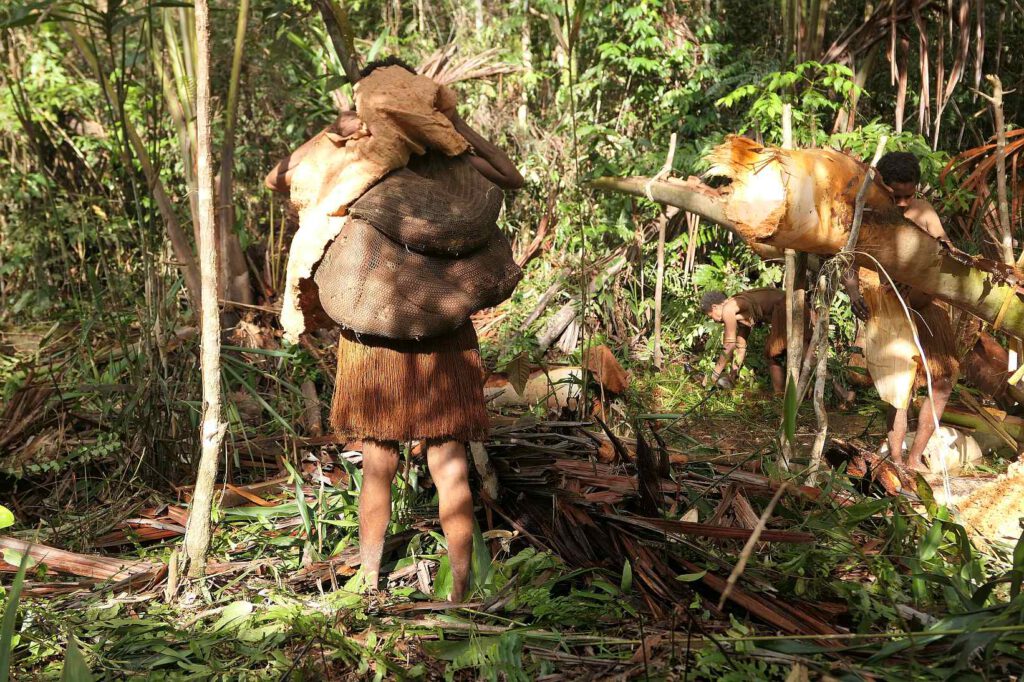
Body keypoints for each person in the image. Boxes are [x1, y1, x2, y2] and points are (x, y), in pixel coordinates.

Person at [267, 56, 524, 602]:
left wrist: (334, 129)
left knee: (378, 461)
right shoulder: (453, 163)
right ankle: (459, 593)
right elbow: (510, 174)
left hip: (372, 336)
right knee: (448, 458)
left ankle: (368, 582)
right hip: (444, 337)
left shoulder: (359, 158)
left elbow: (279, 179)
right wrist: (456, 130)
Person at [842, 151, 959, 471]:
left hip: (925, 306)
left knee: (943, 382)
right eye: (897, 196)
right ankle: (895, 459)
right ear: (881, 186)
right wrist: (853, 292)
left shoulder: (923, 212)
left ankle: (914, 456)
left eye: (910, 195)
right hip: (890, 310)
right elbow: (847, 258)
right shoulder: (866, 214)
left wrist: (944, 253)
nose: (905, 203)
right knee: (899, 389)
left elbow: (944, 252)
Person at [700, 287, 790, 394]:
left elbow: (729, 345)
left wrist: (713, 376)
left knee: (773, 352)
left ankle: (781, 395)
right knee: (774, 352)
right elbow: (740, 346)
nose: (713, 320)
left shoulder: (728, 309)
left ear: (714, 307)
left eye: (711, 317)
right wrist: (732, 376)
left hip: (788, 306)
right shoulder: (737, 308)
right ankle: (781, 395)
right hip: (787, 306)